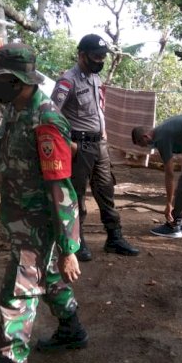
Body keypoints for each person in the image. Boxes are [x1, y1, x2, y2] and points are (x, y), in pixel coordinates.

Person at [0, 44, 88, 363]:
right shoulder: (14, 109)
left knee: (17, 296)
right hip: (19, 220)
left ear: (16, 80)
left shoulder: (44, 120)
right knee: (48, 278)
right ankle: (72, 328)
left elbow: (62, 191)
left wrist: (70, 247)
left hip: (39, 226)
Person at [50, 33, 139, 261]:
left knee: (106, 191)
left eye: (103, 57)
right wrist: (67, 143)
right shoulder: (67, 80)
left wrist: (104, 132)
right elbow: (50, 114)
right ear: (82, 55)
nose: (100, 61)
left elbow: (96, 109)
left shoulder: (95, 79)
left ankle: (114, 238)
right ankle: (76, 242)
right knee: (77, 195)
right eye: (96, 56)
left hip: (100, 145)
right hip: (78, 146)